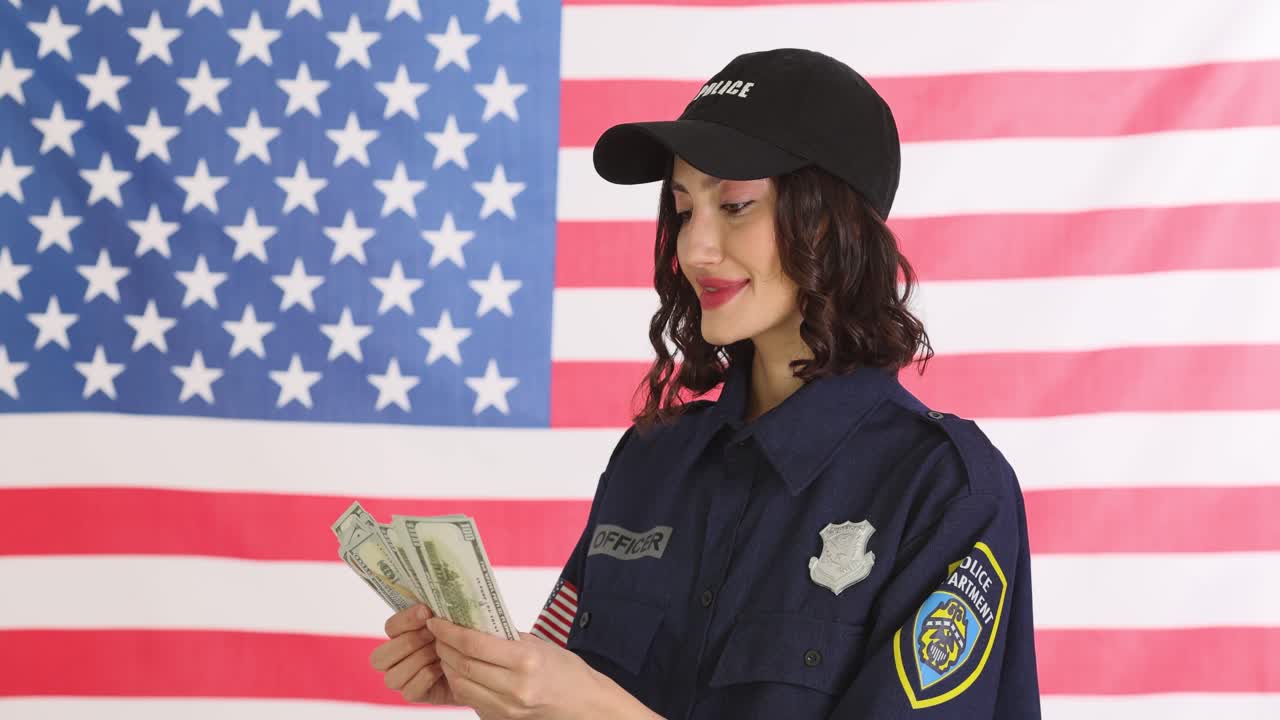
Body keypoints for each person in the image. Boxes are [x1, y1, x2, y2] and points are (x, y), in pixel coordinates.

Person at [369, 47, 1041, 719]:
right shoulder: (650, 460)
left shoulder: (945, 490)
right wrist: (496, 688)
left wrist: (595, 707)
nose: (695, 249)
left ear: (832, 223)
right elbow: (561, 687)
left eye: (736, 205)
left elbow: (590, 704)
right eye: (685, 209)